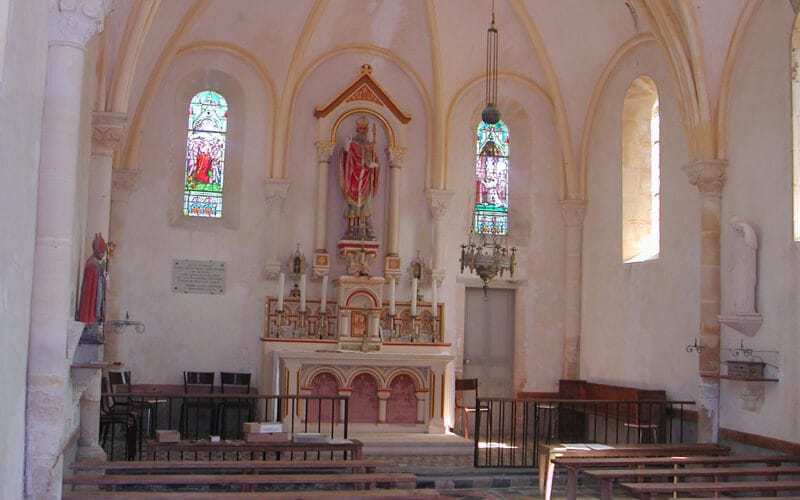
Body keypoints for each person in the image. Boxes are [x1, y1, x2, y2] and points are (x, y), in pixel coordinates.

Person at [339, 116, 380, 240]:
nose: (362, 131)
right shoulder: (352, 144)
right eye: (360, 129)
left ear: (367, 130)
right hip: (353, 179)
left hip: (366, 179)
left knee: (367, 203)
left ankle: (367, 227)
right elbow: (344, 157)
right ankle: (351, 228)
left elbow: (375, 161)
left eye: (364, 129)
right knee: (352, 203)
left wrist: (375, 165)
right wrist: (346, 146)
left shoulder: (370, 146)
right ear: (356, 129)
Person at [77, 233, 109, 343]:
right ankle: (89, 329)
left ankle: (92, 329)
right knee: (91, 311)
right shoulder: (91, 264)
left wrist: (103, 276)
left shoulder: (96, 263)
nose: (103, 254)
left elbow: (99, 279)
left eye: (104, 252)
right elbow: (92, 282)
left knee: (97, 310)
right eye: (102, 252)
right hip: (92, 295)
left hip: (96, 293)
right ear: (97, 251)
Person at [729, 216, 758, 314]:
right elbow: (733, 254)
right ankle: (738, 307)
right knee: (737, 288)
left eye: (735, 227)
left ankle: (745, 308)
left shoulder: (746, 239)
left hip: (744, 269)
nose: (734, 230)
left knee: (744, 287)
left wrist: (743, 256)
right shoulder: (736, 241)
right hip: (737, 270)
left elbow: (749, 253)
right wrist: (731, 264)